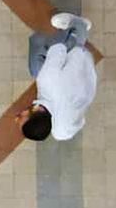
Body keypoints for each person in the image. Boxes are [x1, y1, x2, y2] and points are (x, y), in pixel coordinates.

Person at [16, 13, 97, 141]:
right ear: (37, 111)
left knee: (40, 69)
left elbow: (81, 122)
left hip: (86, 86)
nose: (18, 115)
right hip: (80, 57)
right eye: (21, 117)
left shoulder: (62, 133)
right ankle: (77, 26)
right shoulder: (47, 81)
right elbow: (58, 49)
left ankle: (77, 34)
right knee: (38, 57)